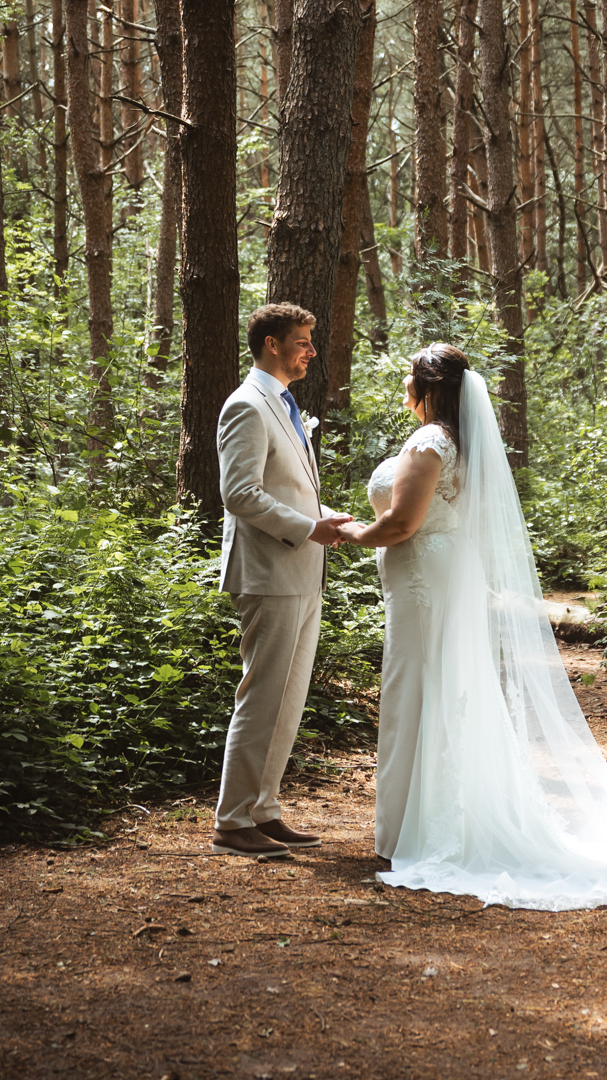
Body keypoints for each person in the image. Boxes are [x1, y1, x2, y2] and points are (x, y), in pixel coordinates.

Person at [338, 344, 607, 909]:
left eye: (407, 382)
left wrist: (343, 531)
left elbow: (398, 525)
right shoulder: (461, 443)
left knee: (417, 689)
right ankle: (425, 822)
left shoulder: (428, 442)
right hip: (441, 574)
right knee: (443, 689)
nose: (403, 392)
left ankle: (413, 834)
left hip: (425, 580)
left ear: (427, 387)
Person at [209, 302, 353, 858]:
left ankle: (263, 807)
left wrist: (322, 522)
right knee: (262, 696)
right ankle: (231, 819)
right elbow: (239, 493)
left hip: (301, 569)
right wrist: (307, 529)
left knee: (288, 700)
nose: (310, 351)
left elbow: (287, 486)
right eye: (301, 342)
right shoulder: (246, 405)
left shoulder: (284, 404)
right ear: (272, 344)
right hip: (269, 570)